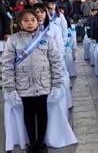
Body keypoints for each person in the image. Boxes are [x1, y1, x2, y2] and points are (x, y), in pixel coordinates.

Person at [3, 10, 63, 152]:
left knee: (42, 114)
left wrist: (57, 84)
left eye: (32, 20)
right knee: (28, 115)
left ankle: (41, 143)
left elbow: (56, 62)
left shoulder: (47, 38)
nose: (29, 23)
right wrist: (10, 88)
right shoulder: (13, 40)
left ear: (38, 21)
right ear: (19, 23)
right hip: (23, 85)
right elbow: (7, 65)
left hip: (43, 83)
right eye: (25, 20)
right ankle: (32, 144)